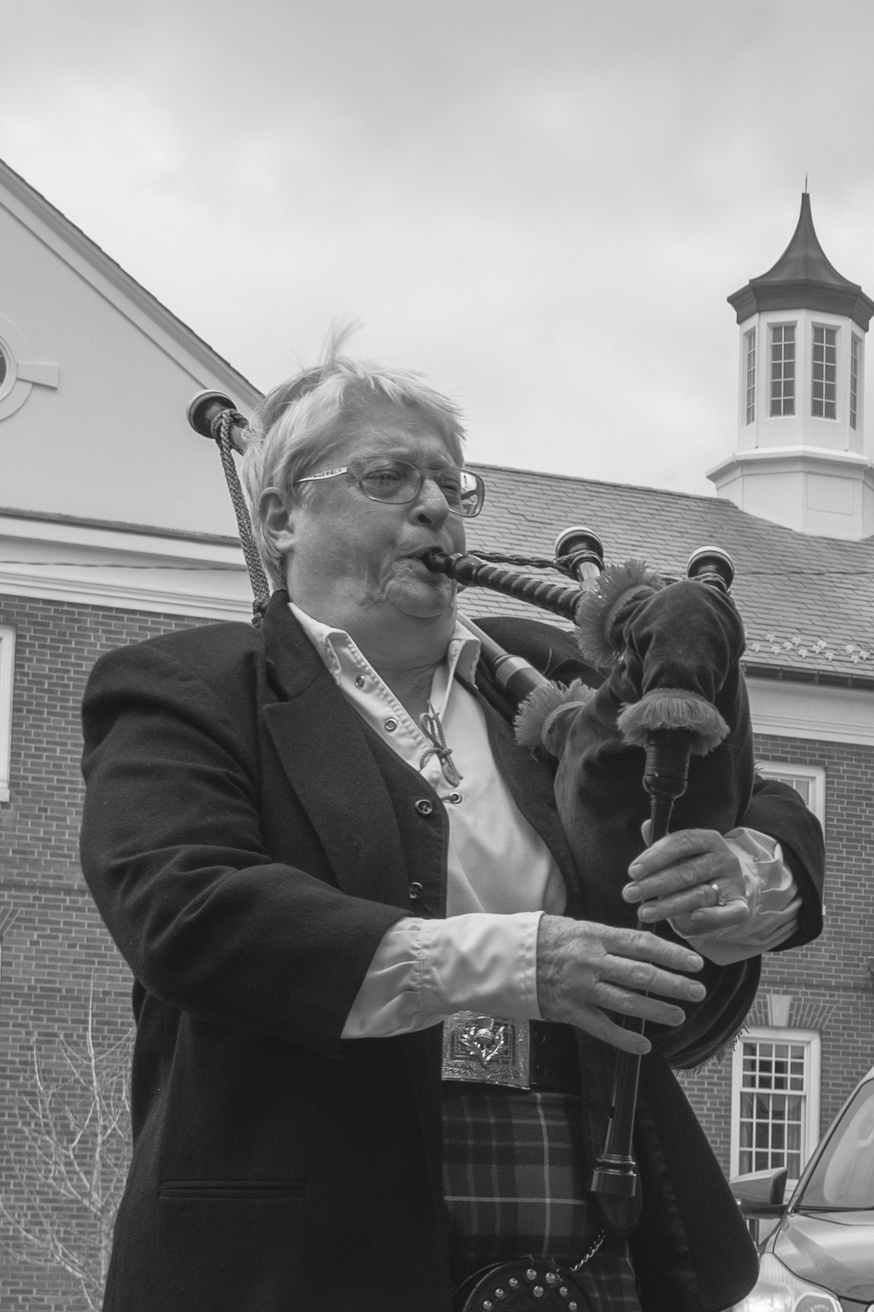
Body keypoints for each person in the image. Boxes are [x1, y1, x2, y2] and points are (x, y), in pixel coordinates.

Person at [80, 338, 824, 1312]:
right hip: (294, 1263)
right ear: (277, 517)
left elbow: (753, 786)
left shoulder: (545, 674)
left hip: (586, 1237)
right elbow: (188, 911)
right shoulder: (187, 690)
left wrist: (757, 868)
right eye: (388, 475)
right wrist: (520, 961)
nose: (433, 502)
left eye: (450, 482)